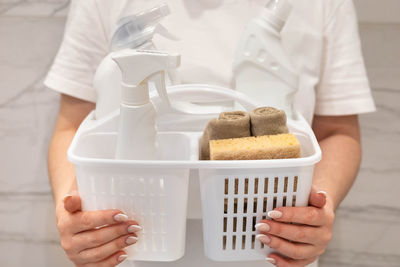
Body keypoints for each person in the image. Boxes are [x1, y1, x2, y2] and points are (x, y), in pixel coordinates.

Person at [45, 0, 375, 266]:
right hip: (132, 251)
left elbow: (337, 131)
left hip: (270, 252)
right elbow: (73, 125)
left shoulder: (325, 4)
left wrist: (318, 209)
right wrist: (70, 212)